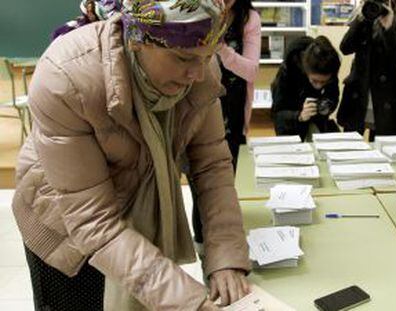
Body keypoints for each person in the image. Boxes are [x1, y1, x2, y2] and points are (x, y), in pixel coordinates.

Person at [12, 0, 251, 310]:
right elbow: (93, 221)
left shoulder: (201, 70)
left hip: (132, 210)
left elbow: (212, 166)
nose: (196, 73)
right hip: (66, 229)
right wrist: (188, 302)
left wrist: (225, 257)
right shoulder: (66, 78)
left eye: (207, 58)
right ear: (138, 39)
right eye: (182, 58)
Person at [189, 0, 261, 257]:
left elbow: (251, 71)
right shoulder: (193, 9)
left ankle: (219, 249)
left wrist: (219, 47)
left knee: (221, 181)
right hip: (195, 107)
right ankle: (201, 244)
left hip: (231, 112)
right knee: (198, 181)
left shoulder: (248, 18)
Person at [337, 0, 396, 141]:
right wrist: (360, 19)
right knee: (350, 147)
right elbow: (345, 48)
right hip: (358, 94)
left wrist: (388, 29)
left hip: (384, 99)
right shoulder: (363, 14)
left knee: (382, 150)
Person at [271, 36, 341, 141]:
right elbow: (278, 114)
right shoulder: (287, 71)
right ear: (306, 71)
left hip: (318, 124)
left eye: (324, 82)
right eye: (314, 81)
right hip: (292, 125)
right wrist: (299, 116)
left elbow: (333, 96)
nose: (319, 86)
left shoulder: (329, 66)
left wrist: (325, 106)